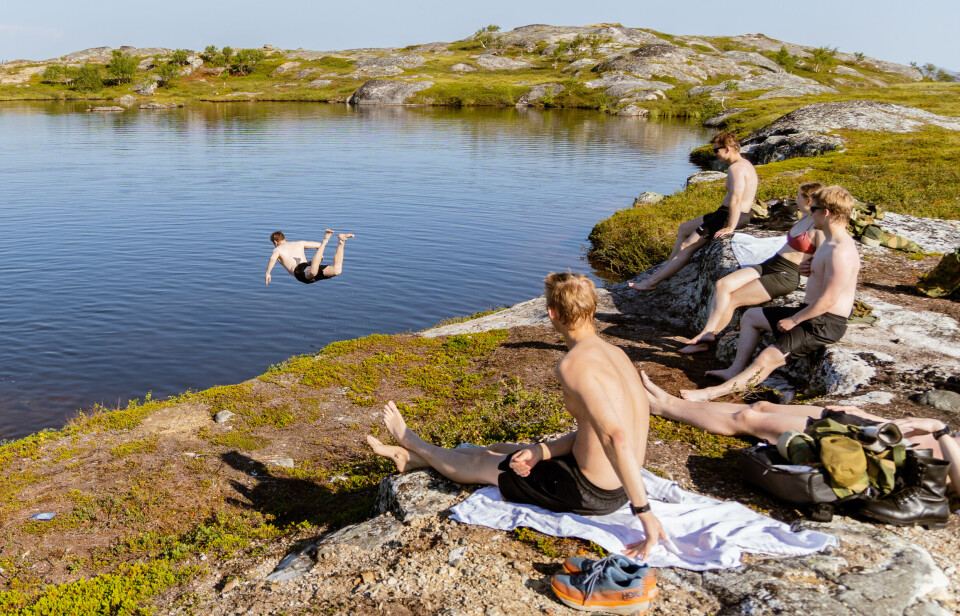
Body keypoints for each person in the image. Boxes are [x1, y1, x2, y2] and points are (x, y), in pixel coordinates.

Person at [367, 273, 665, 559]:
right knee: (501, 449)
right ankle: (412, 460)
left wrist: (644, 513)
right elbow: (594, 430)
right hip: (618, 482)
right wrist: (540, 451)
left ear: (552, 313)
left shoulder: (574, 365)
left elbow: (615, 437)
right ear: (593, 308)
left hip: (592, 491)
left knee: (482, 462)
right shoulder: (617, 353)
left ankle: (412, 443)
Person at [640, 370, 960, 498]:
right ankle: (671, 401)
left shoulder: (944, 434)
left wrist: (941, 430)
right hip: (870, 429)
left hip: (863, 451)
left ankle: (660, 408)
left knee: (747, 418)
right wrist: (871, 417)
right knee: (762, 406)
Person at [680, 186, 860, 402]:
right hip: (811, 312)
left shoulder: (840, 251)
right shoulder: (830, 242)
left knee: (766, 359)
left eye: (814, 209)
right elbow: (822, 272)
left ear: (826, 212)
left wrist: (795, 319)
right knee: (751, 316)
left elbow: (829, 299)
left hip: (824, 323)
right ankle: (734, 370)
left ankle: (710, 394)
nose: (811, 213)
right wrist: (809, 268)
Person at [680, 182, 824, 354]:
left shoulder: (819, 227)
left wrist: (809, 266)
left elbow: (823, 257)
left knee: (733, 299)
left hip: (785, 274)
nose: (796, 200)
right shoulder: (805, 217)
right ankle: (707, 332)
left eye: (799, 196)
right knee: (722, 285)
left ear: (808, 200)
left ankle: (707, 340)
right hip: (771, 263)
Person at [629, 131, 758, 292]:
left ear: (727, 149)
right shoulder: (745, 164)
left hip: (729, 215)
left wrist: (731, 226)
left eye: (716, 150)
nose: (714, 154)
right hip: (725, 213)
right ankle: (666, 269)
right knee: (684, 228)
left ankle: (652, 282)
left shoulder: (736, 168)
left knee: (687, 245)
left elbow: (736, 199)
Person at [265, 229, 354, 286]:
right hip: (308, 267)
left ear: (275, 242)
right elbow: (318, 245)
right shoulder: (299, 243)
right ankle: (341, 242)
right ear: (284, 238)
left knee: (312, 272)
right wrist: (320, 254)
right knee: (337, 270)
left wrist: (268, 273)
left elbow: (273, 259)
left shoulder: (277, 249)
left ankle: (325, 240)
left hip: (300, 271)